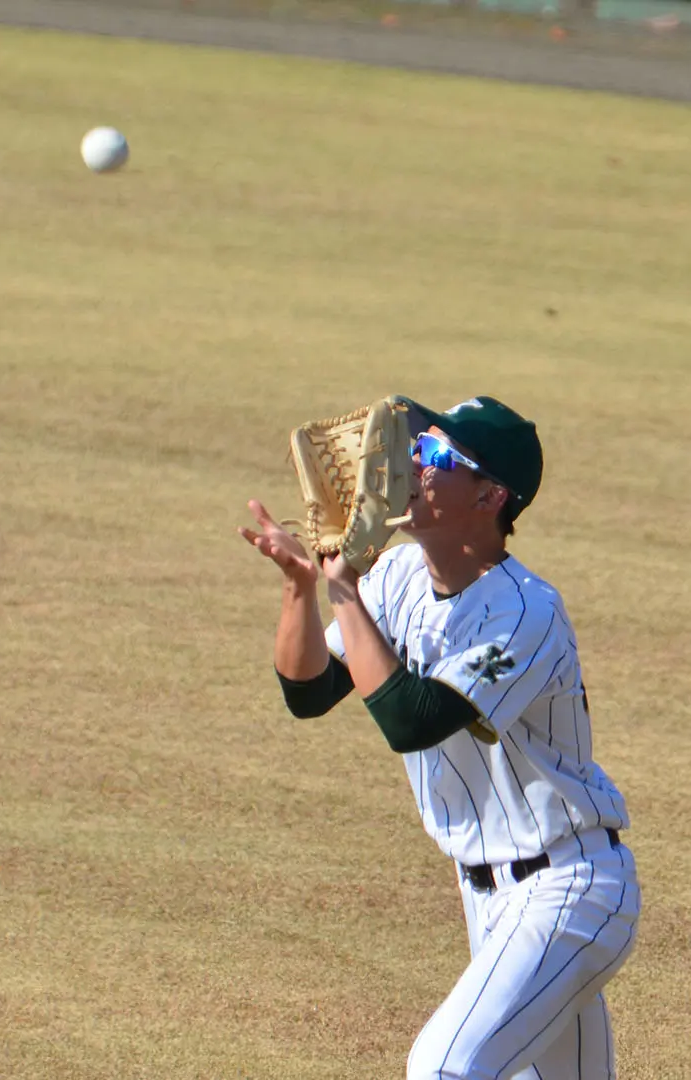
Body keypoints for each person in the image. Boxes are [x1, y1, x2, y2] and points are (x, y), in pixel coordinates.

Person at [239, 396, 640, 1080]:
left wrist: (344, 589)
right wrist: (302, 588)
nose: (412, 468)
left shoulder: (523, 611)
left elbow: (413, 720)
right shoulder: (395, 577)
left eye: (435, 457)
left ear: (489, 496)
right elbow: (307, 692)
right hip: (489, 903)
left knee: (444, 1066)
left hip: (570, 889)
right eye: (417, 450)